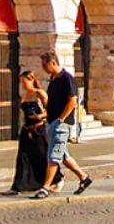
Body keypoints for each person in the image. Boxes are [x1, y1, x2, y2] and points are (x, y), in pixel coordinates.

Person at [33, 51, 93, 198]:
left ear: (53, 63)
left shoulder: (67, 79)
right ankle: (84, 178)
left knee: (53, 155)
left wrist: (61, 119)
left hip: (62, 124)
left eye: (44, 65)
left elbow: (73, 101)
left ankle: (45, 187)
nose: (43, 68)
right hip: (52, 121)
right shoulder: (53, 79)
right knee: (62, 155)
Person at [8, 71, 49, 194]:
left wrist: (40, 116)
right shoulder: (25, 95)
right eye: (21, 82)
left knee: (42, 155)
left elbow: (50, 110)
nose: (23, 84)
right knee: (23, 158)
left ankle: (51, 180)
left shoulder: (40, 94)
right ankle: (19, 186)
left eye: (24, 82)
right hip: (27, 130)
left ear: (31, 80)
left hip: (38, 129)